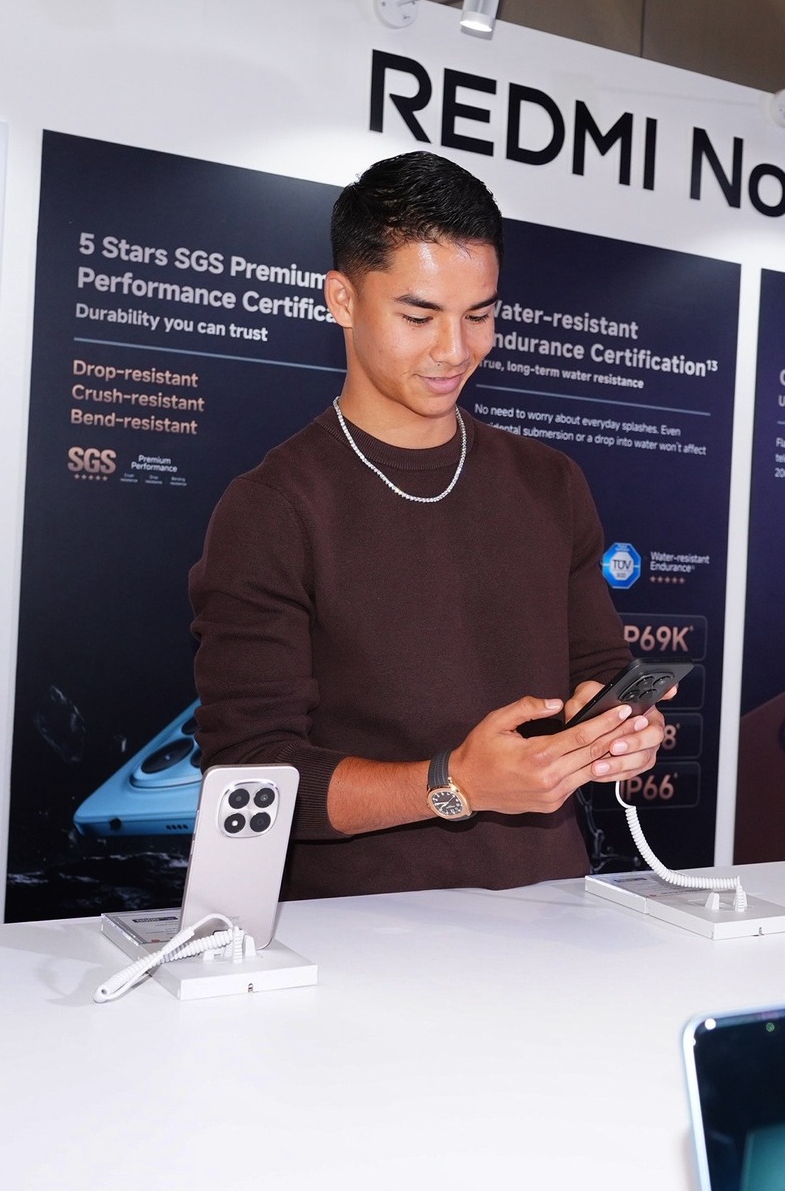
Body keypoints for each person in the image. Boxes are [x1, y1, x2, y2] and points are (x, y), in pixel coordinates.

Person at [187, 150, 665, 898]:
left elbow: (601, 667)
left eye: (480, 315)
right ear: (342, 300)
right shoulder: (273, 509)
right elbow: (251, 773)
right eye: (419, 316)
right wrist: (454, 784)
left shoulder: (549, 482)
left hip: (554, 911)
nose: (456, 349)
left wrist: (622, 728)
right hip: (358, 931)